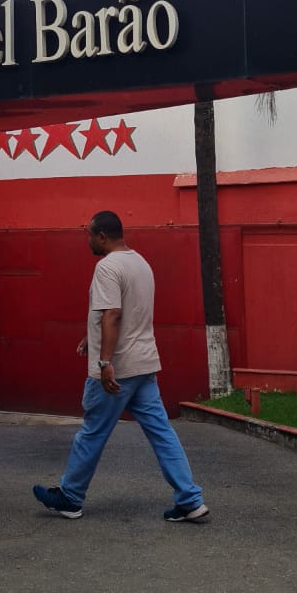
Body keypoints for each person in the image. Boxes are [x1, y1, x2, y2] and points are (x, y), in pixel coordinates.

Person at [33, 210, 208, 523]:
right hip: (144, 365)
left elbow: (113, 314)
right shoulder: (140, 263)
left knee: (92, 433)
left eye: (90, 234)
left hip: (117, 370)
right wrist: (91, 336)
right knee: (162, 432)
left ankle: (70, 497)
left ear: (102, 236)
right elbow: (125, 313)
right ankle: (190, 499)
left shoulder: (107, 267)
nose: (87, 240)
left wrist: (105, 362)